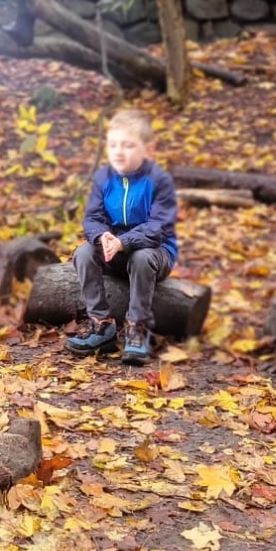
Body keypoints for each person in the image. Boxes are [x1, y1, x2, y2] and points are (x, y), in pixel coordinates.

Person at [65, 108, 179, 366]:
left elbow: (157, 228)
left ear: (148, 150)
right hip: (115, 249)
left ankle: (138, 329)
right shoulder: (104, 177)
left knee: (141, 257)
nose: (118, 151)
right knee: (83, 252)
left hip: (155, 252)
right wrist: (102, 237)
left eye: (128, 145)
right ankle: (101, 325)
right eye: (113, 144)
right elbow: (92, 218)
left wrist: (123, 242)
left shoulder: (159, 181)